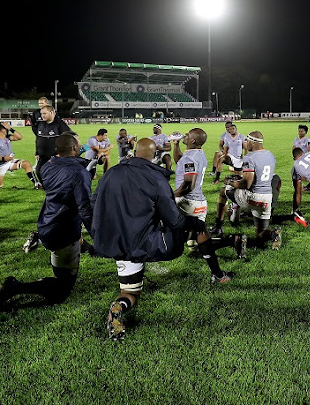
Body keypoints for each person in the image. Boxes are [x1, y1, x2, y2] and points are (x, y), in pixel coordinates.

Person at [91, 138, 233, 341]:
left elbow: (94, 203)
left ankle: (119, 306)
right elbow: (174, 221)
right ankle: (218, 273)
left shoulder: (111, 172)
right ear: (154, 155)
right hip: (147, 242)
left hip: (116, 242)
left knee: (131, 292)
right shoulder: (156, 178)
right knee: (196, 227)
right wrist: (192, 222)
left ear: (134, 151)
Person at [0, 133, 94, 312]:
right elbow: (84, 209)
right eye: (79, 145)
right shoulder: (79, 173)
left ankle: (86, 247)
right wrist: (97, 234)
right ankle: (15, 287)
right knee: (62, 289)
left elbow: (66, 174)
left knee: (65, 266)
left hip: (47, 223)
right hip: (64, 232)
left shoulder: (47, 167)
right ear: (75, 149)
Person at [172, 128, 246, 257]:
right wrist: (176, 144)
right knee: (194, 245)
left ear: (193, 140)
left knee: (162, 222)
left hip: (188, 202)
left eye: (187, 135)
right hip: (198, 202)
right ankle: (233, 240)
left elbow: (189, 185)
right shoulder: (197, 153)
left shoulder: (190, 157)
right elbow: (179, 159)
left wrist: (172, 196)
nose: (185, 135)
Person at [211, 131, 282, 251]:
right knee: (261, 232)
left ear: (252, 142)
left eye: (247, 141)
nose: (245, 144)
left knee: (225, 190)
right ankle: (273, 234)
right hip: (266, 198)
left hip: (252, 197)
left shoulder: (249, 157)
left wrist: (230, 182)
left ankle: (218, 225)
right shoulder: (270, 155)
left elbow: (246, 184)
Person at [0, 123, 40, 190]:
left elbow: (20, 137)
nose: (8, 131)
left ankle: (37, 184)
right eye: (7, 129)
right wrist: (3, 158)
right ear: (3, 130)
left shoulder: (7, 138)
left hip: (9, 162)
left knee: (26, 164)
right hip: (0, 166)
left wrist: (11, 129)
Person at [35, 105, 70, 184]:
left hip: (55, 156)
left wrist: (62, 153)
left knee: (55, 174)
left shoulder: (59, 124)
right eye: (41, 113)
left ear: (51, 112)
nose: (42, 115)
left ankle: (56, 187)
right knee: (39, 172)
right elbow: (38, 139)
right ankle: (47, 187)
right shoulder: (41, 124)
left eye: (44, 113)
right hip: (42, 156)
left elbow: (69, 138)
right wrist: (37, 152)